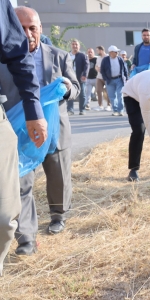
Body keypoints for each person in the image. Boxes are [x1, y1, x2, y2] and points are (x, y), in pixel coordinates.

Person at [2, 6, 79, 256]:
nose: (27, 33)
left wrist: (67, 89)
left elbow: (76, 88)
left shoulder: (60, 56)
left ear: (40, 29)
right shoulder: (5, 60)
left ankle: (58, 215)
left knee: (57, 176)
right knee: (21, 185)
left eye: (32, 28)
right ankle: (27, 239)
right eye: (21, 28)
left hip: (55, 131)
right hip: (21, 134)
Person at [0, 0, 47, 275]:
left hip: (16, 126)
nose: (28, 32)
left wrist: (34, 108)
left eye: (33, 27)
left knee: (6, 217)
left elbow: (17, 56)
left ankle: (27, 236)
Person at [100, 45, 128, 116]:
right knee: (112, 96)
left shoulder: (120, 59)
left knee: (120, 95)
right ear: (111, 52)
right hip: (109, 80)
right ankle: (115, 110)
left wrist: (126, 78)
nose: (117, 53)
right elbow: (102, 70)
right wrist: (105, 78)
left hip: (119, 79)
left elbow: (125, 69)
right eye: (116, 52)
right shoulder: (105, 60)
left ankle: (121, 110)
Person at [66, 39, 89, 115]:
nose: (74, 46)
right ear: (71, 46)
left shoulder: (82, 55)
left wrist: (84, 75)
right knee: (70, 93)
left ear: (79, 46)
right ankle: (70, 109)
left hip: (80, 77)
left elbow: (86, 66)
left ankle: (82, 109)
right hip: (70, 78)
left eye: (76, 44)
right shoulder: (68, 55)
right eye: (73, 44)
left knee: (82, 94)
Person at [95, 45, 111, 111]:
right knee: (98, 91)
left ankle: (109, 105)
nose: (97, 52)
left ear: (101, 50)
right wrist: (97, 68)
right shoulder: (98, 58)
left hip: (106, 77)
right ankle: (100, 105)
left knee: (108, 91)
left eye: (97, 50)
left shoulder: (108, 57)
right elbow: (96, 66)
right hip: (99, 77)